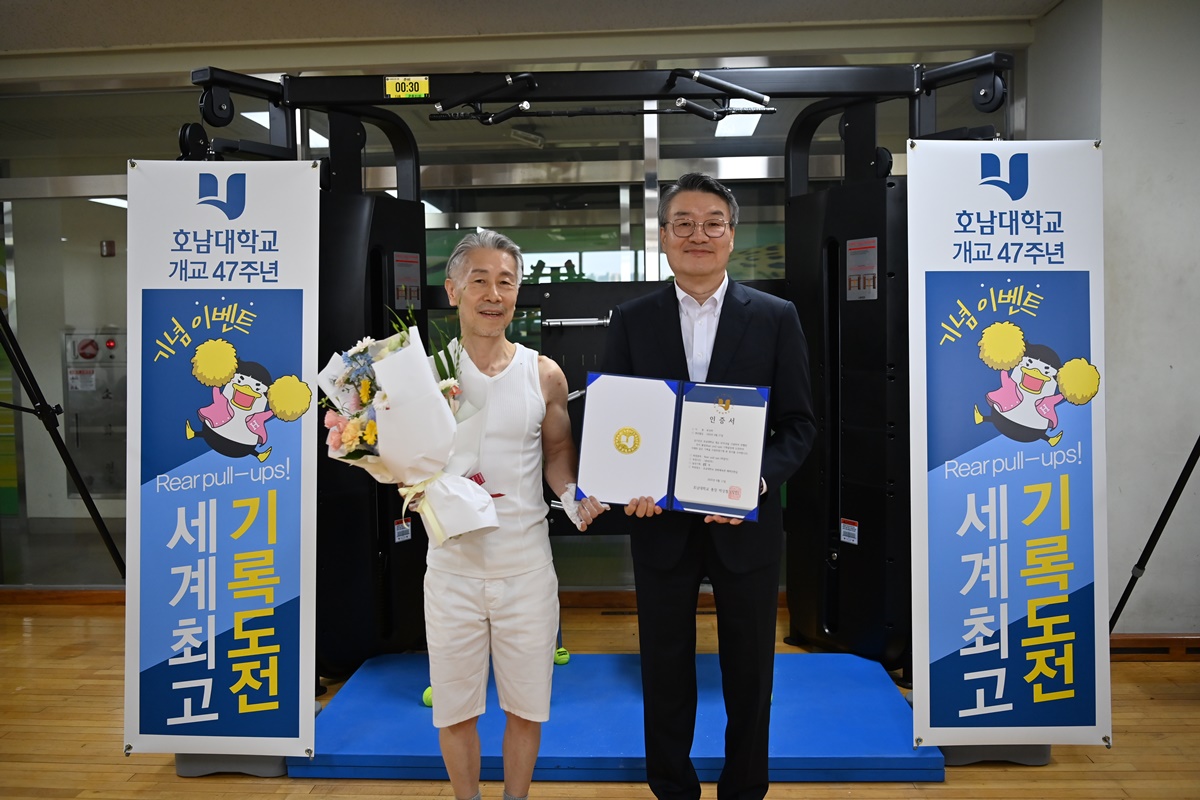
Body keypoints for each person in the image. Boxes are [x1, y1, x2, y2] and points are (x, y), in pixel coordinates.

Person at [599, 173, 817, 800]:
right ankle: (671, 786)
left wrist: (754, 480)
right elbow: (616, 421)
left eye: (712, 222)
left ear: (731, 234)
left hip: (744, 523)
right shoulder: (633, 319)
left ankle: (745, 786)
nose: (699, 234)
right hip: (658, 523)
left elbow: (800, 425)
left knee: (750, 668)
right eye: (684, 223)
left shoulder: (776, 318)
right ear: (663, 237)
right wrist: (625, 482)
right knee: (664, 666)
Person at [424, 229, 608, 800]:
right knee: (454, 708)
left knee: (527, 705)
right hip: (451, 568)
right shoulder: (422, 373)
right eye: (479, 280)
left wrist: (576, 496)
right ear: (453, 289)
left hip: (527, 567)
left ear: (518, 291)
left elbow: (556, 456)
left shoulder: (544, 373)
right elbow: (399, 456)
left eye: (505, 281)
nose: (493, 293)